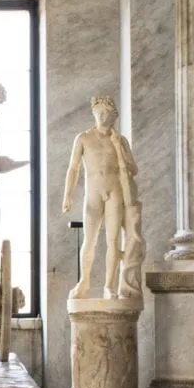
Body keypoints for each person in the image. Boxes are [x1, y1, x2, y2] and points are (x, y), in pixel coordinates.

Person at [62, 96, 143, 300]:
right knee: (89, 241)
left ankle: (109, 286)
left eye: (106, 113)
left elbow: (133, 168)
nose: (102, 116)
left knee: (113, 241)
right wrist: (67, 195)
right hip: (94, 193)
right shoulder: (84, 138)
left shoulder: (120, 140)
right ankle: (84, 282)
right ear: (93, 113)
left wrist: (117, 146)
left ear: (114, 116)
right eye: (99, 112)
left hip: (114, 192)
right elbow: (73, 168)